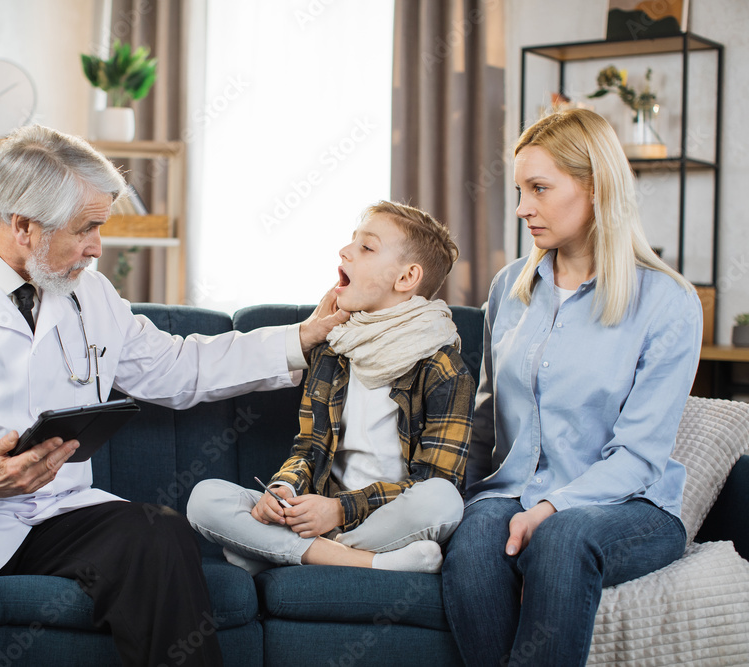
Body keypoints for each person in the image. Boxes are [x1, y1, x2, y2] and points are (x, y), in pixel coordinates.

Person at [0, 124, 348, 667]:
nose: (97, 247)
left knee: (157, 536)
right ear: (25, 226)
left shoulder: (88, 293)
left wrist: (302, 338)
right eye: (86, 228)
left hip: (49, 513)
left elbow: (175, 366)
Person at [441, 108, 702, 666]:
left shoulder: (667, 302)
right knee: (474, 539)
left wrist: (554, 504)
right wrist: (441, 493)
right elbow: (485, 418)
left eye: (539, 188)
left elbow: (639, 455)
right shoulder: (510, 285)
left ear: (595, 187)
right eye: (519, 189)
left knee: (562, 538)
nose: (521, 208)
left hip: (629, 503)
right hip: (511, 486)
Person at [187, 201, 474, 575]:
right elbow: (308, 448)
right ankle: (363, 562)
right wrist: (285, 490)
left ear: (406, 278)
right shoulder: (333, 349)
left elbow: (437, 479)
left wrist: (340, 510)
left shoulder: (443, 368)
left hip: (388, 522)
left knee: (443, 499)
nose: (345, 251)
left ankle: (280, 551)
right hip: (319, 513)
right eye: (352, 242)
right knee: (205, 499)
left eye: (367, 247)